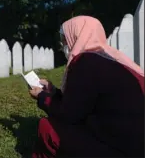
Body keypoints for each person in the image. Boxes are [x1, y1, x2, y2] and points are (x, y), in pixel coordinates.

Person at [29, 16, 144, 158]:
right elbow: (84, 101)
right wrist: (53, 92)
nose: (62, 43)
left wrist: (42, 97)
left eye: (64, 38)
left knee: (46, 128)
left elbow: (70, 115)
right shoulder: (114, 58)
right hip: (134, 144)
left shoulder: (86, 61)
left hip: (118, 148)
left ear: (77, 36)